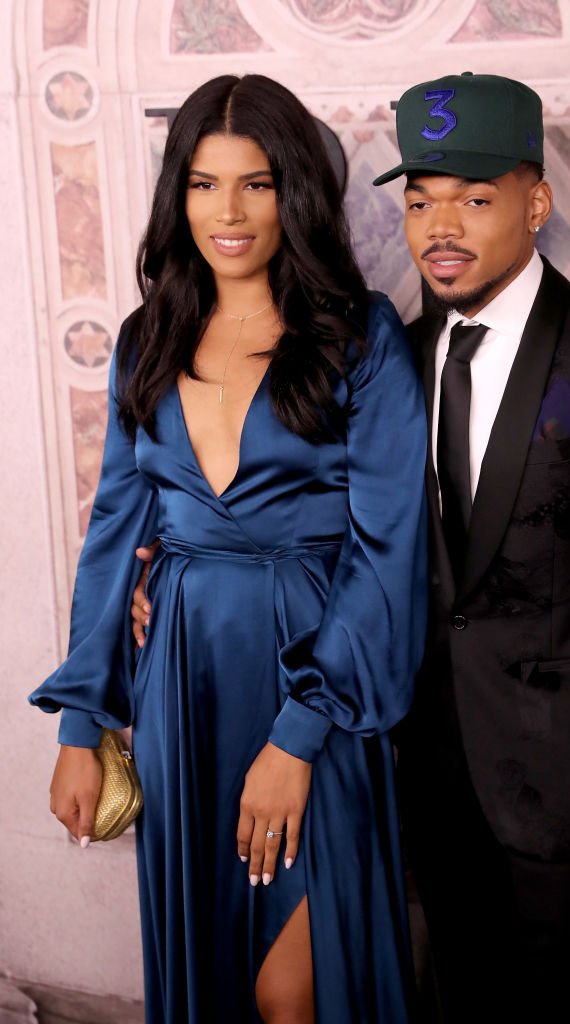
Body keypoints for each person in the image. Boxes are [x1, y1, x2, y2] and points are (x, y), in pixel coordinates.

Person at [129, 72, 570, 1023]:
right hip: (426, 792)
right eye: (419, 202)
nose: (440, 228)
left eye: (475, 199)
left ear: (537, 202)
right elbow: (342, 534)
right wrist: (169, 565)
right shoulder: (385, 354)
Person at [29, 73, 428, 1024]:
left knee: (297, 992)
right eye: (205, 185)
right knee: (211, 975)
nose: (230, 212)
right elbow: (112, 535)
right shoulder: (148, 336)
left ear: (295, 192)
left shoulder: (358, 335)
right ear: (179, 196)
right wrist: (81, 727)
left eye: (256, 184)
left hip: (315, 678)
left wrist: (298, 736)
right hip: (180, 687)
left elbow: (388, 551)